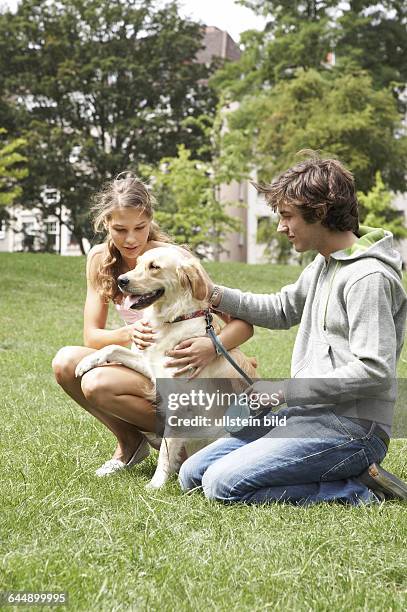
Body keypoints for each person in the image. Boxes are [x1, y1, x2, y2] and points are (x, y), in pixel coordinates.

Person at [179, 153, 407, 505]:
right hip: (307, 416)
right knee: (191, 475)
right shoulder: (324, 263)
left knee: (221, 485)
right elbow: (282, 308)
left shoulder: (368, 277)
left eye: (287, 216)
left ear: (319, 213)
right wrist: (213, 294)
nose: (280, 226)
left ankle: (357, 489)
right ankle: (335, 472)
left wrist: (284, 391)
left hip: (352, 429)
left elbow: (374, 370)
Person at [52, 173, 254, 477]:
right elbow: (91, 335)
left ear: (150, 220)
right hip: (147, 361)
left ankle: (183, 446)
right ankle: (131, 443)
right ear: (106, 223)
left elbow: (242, 324)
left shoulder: (172, 259)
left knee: (97, 384)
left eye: (139, 228)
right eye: (120, 229)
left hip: (176, 372)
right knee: (65, 362)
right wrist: (129, 332)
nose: (131, 239)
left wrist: (212, 346)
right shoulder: (98, 259)